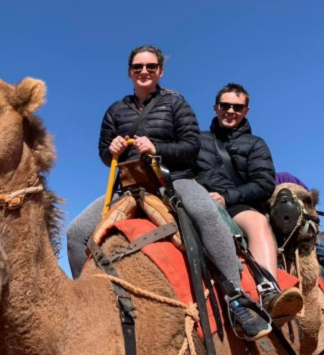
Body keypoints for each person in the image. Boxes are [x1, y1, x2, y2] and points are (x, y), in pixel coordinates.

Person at [67, 45, 272, 341]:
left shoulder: (176, 104)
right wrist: (109, 150)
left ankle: (237, 298)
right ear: (129, 72)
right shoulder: (115, 110)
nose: (144, 72)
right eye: (138, 67)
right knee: (76, 233)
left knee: (205, 213)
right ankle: (86, 305)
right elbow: (103, 152)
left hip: (173, 181)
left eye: (151, 66)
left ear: (160, 71)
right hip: (129, 186)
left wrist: (157, 148)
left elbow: (191, 146)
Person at [194, 83, 303, 320]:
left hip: (237, 205)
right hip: (199, 201)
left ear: (246, 111)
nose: (230, 111)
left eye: (237, 107)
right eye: (225, 105)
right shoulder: (197, 140)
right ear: (216, 107)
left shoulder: (256, 144)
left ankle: (268, 292)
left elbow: (263, 184)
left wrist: (226, 197)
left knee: (257, 223)